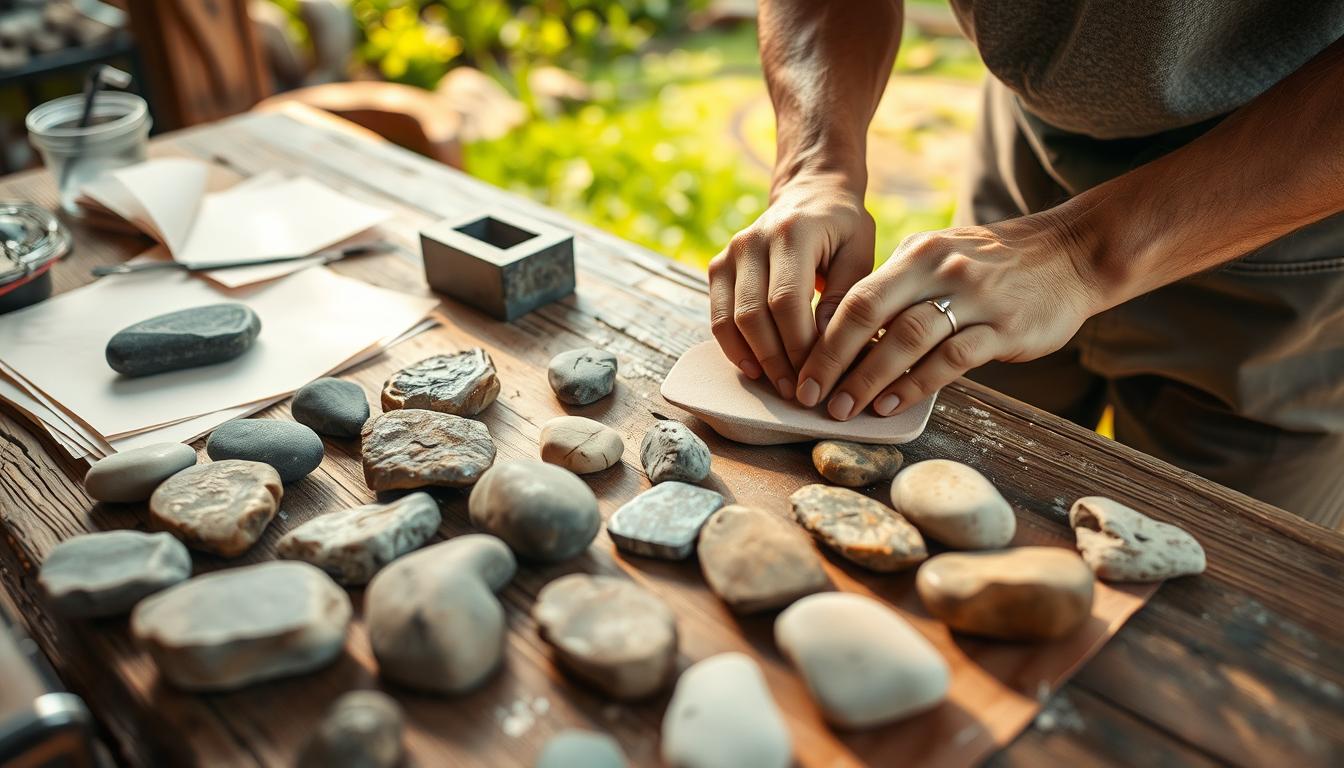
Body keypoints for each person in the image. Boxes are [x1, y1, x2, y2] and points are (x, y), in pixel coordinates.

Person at [708, 1, 1344, 527]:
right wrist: (814, 167)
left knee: (1216, 565)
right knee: (954, 471)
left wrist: (1081, 253)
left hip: (1285, 194)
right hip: (1028, 143)